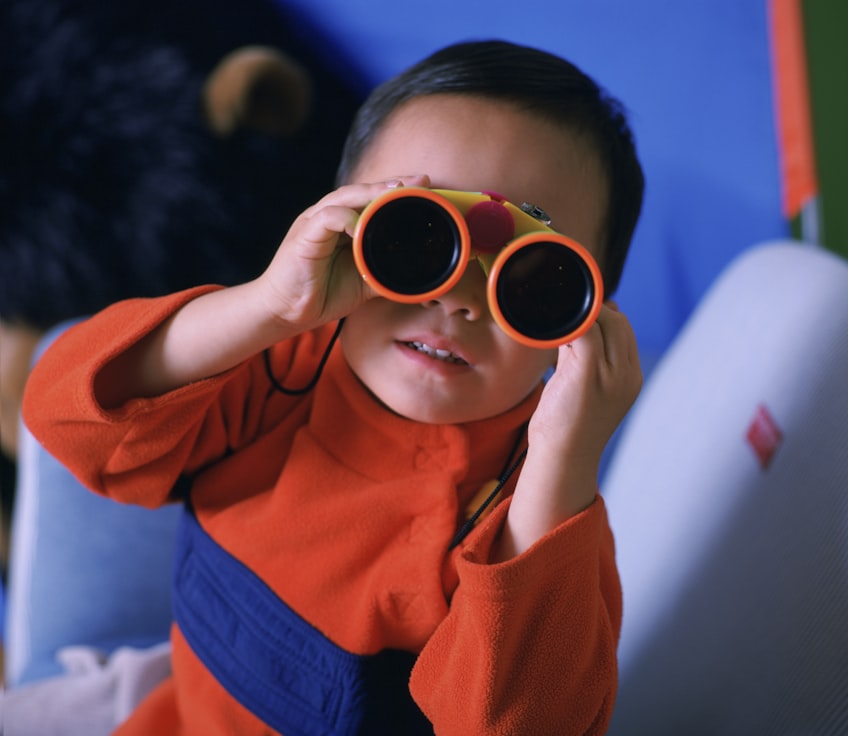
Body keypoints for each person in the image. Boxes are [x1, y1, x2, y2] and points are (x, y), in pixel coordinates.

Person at [22, 39, 645, 735]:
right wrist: (267, 307)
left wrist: (563, 459)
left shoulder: (530, 516)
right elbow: (66, 421)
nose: (459, 301)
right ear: (344, 221)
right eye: (416, 237)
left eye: (530, 278)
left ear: (586, 316)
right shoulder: (281, 368)